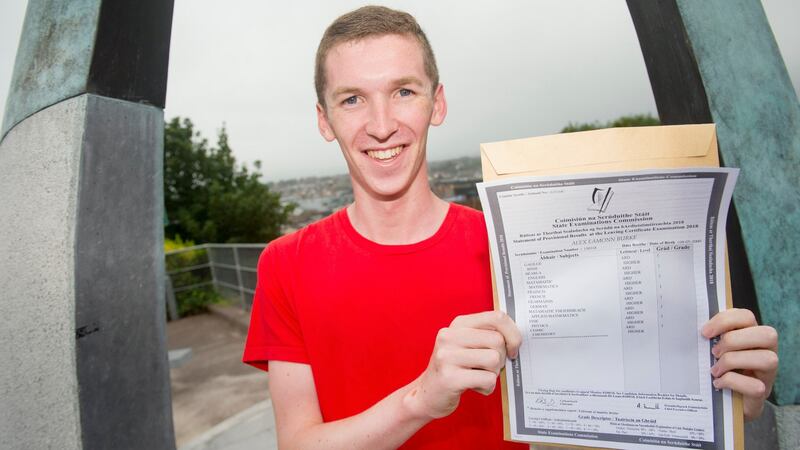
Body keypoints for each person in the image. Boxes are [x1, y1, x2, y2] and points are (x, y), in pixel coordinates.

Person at [243, 6, 779, 449]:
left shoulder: (517, 246)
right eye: (352, 99)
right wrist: (421, 400)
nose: (381, 125)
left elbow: (619, 388)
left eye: (404, 91)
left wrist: (727, 392)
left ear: (437, 103)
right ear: (324, 119)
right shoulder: (286, 264)